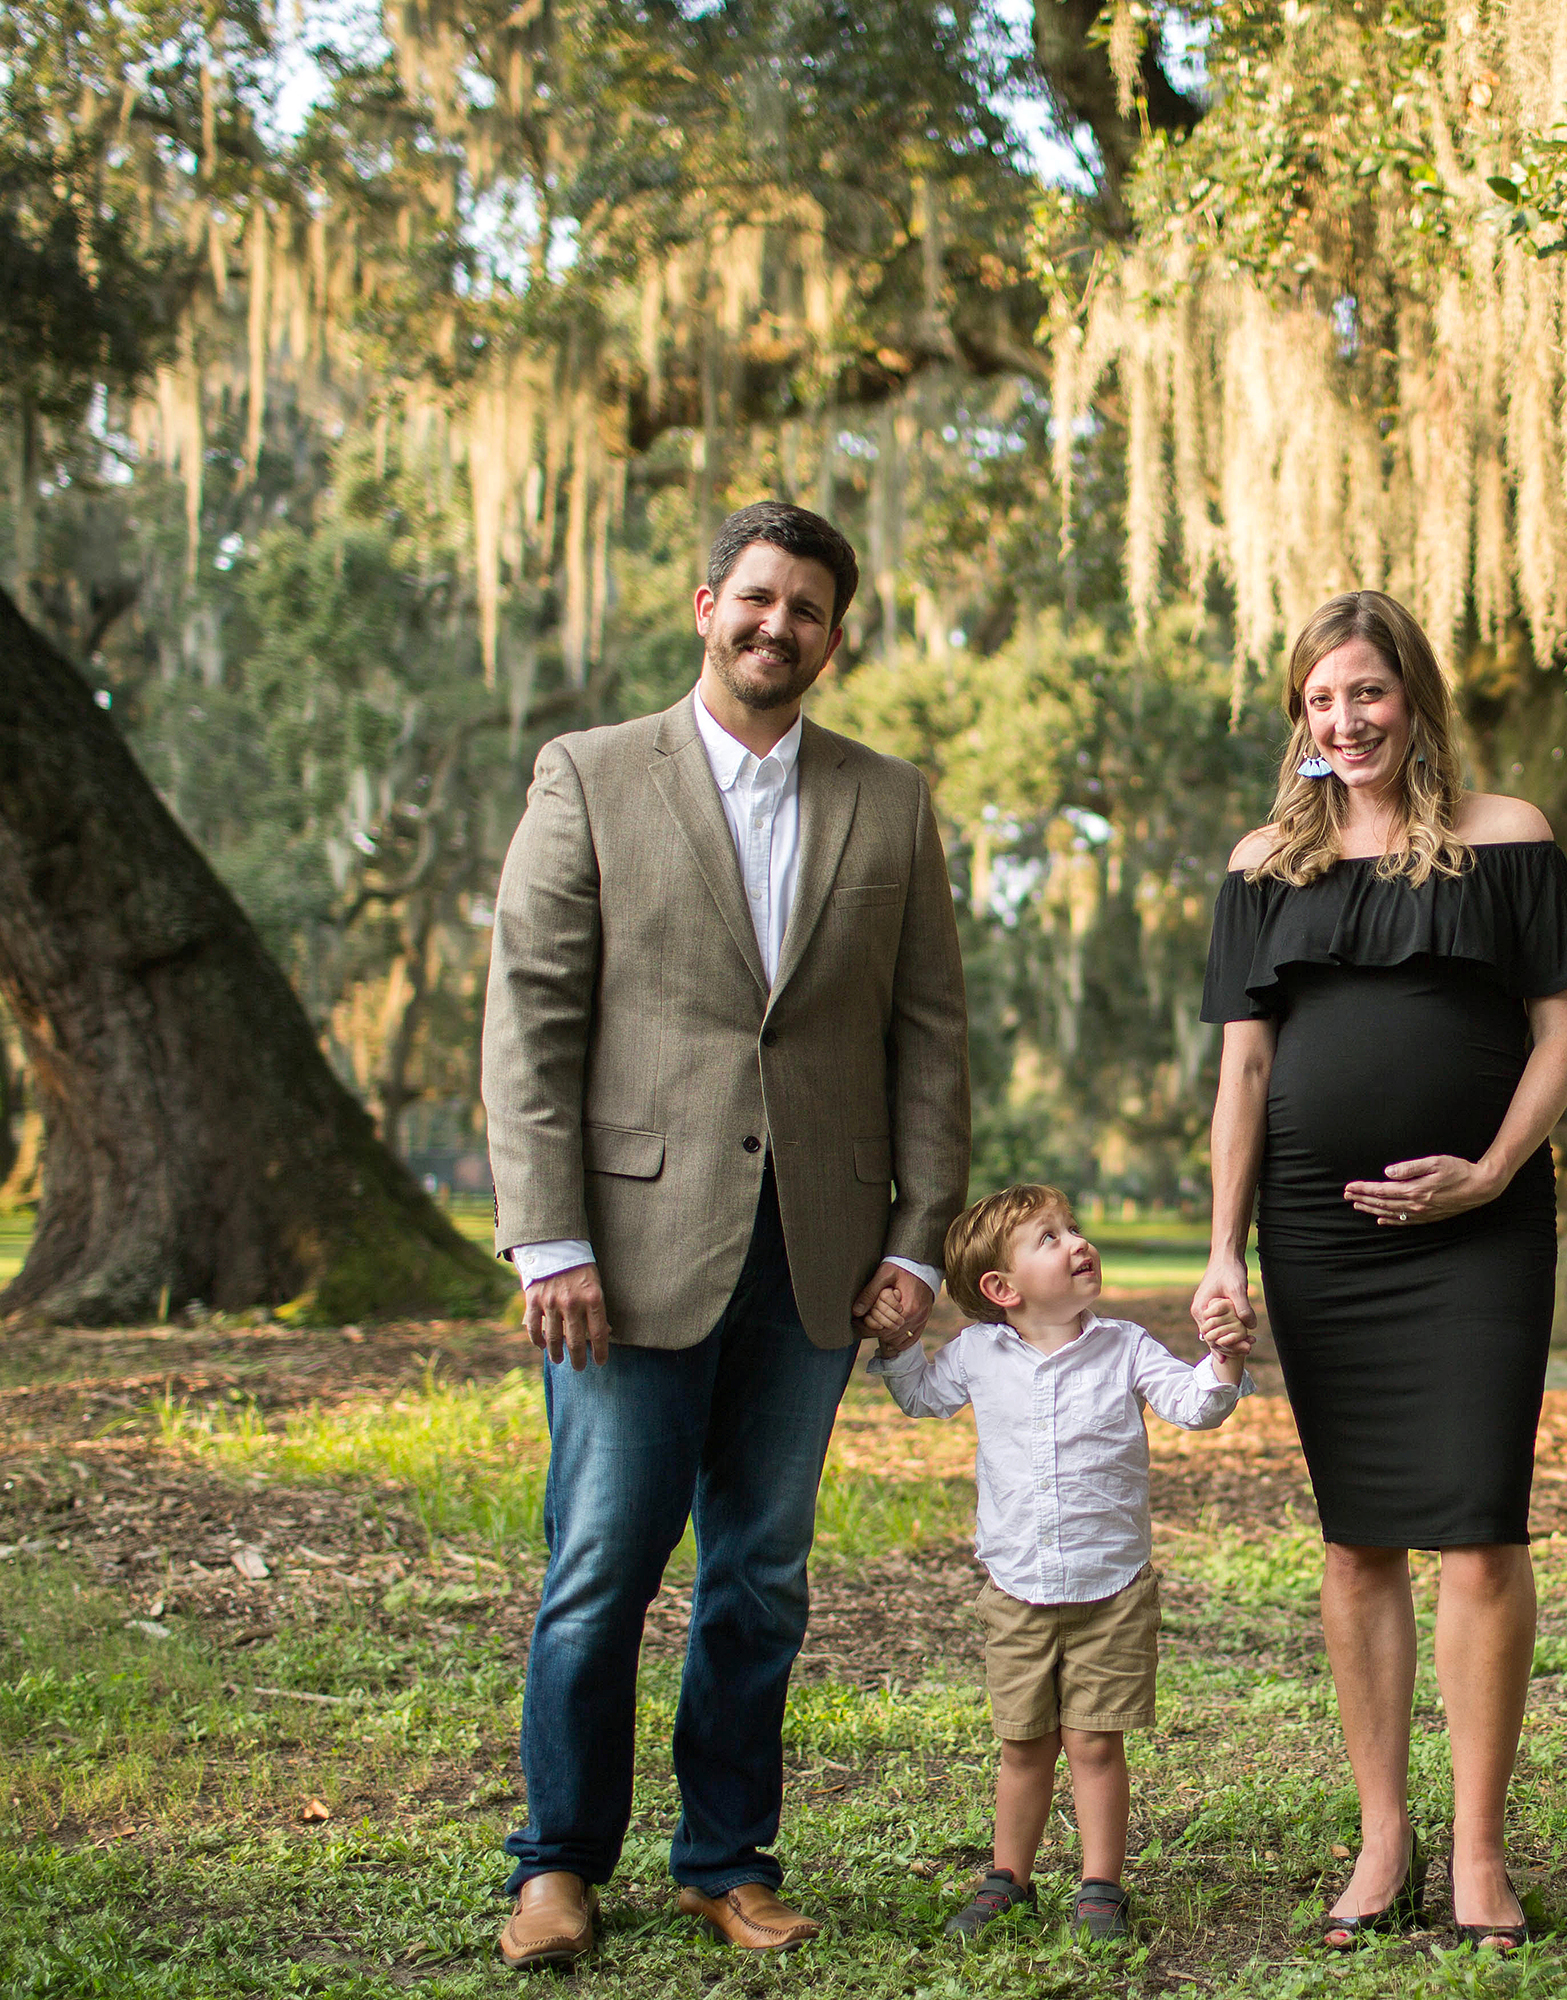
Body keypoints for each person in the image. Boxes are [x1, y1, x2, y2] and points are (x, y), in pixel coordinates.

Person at [480, 501, 970, 1968]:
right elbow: (533, 1018)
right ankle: (558, 1867)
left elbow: (930, 1040)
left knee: (759, 1575)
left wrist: (921, 1242)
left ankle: (724, 1861)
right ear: (707, 607)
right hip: (624, 1257)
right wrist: (546, 1238)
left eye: (808, 609)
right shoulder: (589, 774)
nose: (778, 627)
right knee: (601, 1569)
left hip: (816, 1254)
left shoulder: (892, 803)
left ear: (836, 636)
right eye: (756, 599)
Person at [1191, 589, 1567, 1954]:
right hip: (1322, 1239)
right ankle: (1384, 1838)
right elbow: (1243, 1073)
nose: (1346, 720)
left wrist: (1488, 1170)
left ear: (1412, 698)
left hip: (1480, 1232)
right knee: (1357, 1539)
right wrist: (1220, 1250)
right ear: (1299, 719)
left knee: (1481, 1531)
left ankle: (1480, 1850)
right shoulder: (1263, 865)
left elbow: (1561, 1040)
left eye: (1367, 692)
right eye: (1320, 699)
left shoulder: (1508, 840)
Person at [866, 1185, 1253, 1943]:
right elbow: (917, 1396)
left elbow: (1195, 1405)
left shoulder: (1127, 1346)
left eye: (1073, 1228)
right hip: (1016, 1590)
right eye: (1050, 1238)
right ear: (1002, 1289)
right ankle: (1009, 1878)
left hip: (1111, 1588)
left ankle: (1100, 1884)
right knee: (1023, 1743)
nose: (1077, 1242)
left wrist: (1222, 1357)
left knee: (1097, 1741)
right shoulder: (977, 1355)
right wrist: (892, 1341)